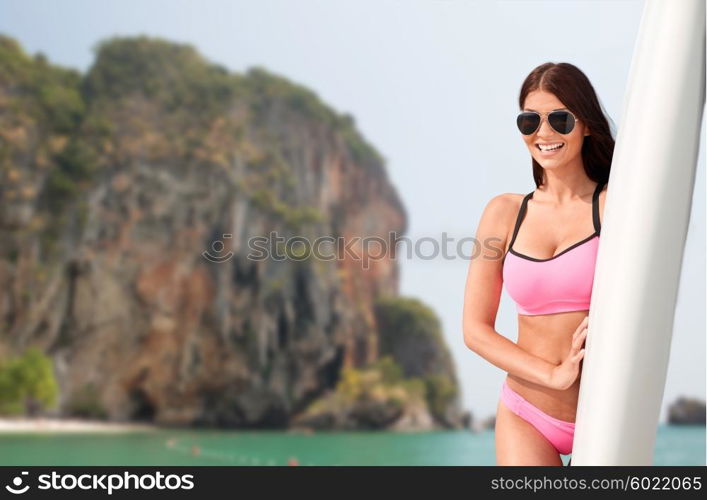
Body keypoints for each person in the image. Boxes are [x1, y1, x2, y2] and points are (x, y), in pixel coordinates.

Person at [462, 62, 615, 466]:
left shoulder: (614, 206)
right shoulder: (503, 212)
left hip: (605, 413)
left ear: (585, 125)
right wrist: (552, 375)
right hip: (525, 411)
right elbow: (475, 330)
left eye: (560, 119)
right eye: (530, 121)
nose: (543, 134)